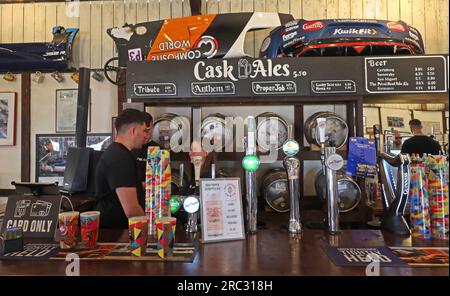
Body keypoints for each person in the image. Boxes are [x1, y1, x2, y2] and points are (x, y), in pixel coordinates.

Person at [94, 109, 148, 229]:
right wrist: (149, 229)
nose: (146, 135)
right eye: (144, 130)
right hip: (115, 233)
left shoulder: (118, 153)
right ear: (133, 131)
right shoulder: (120, 158)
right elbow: (131, 210)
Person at [131, 112, 161, 186]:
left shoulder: (158, 150)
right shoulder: (130, 147)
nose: (146, 135)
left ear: (153, 127)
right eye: (144, 131)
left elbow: (162, 178)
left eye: (148, 130)